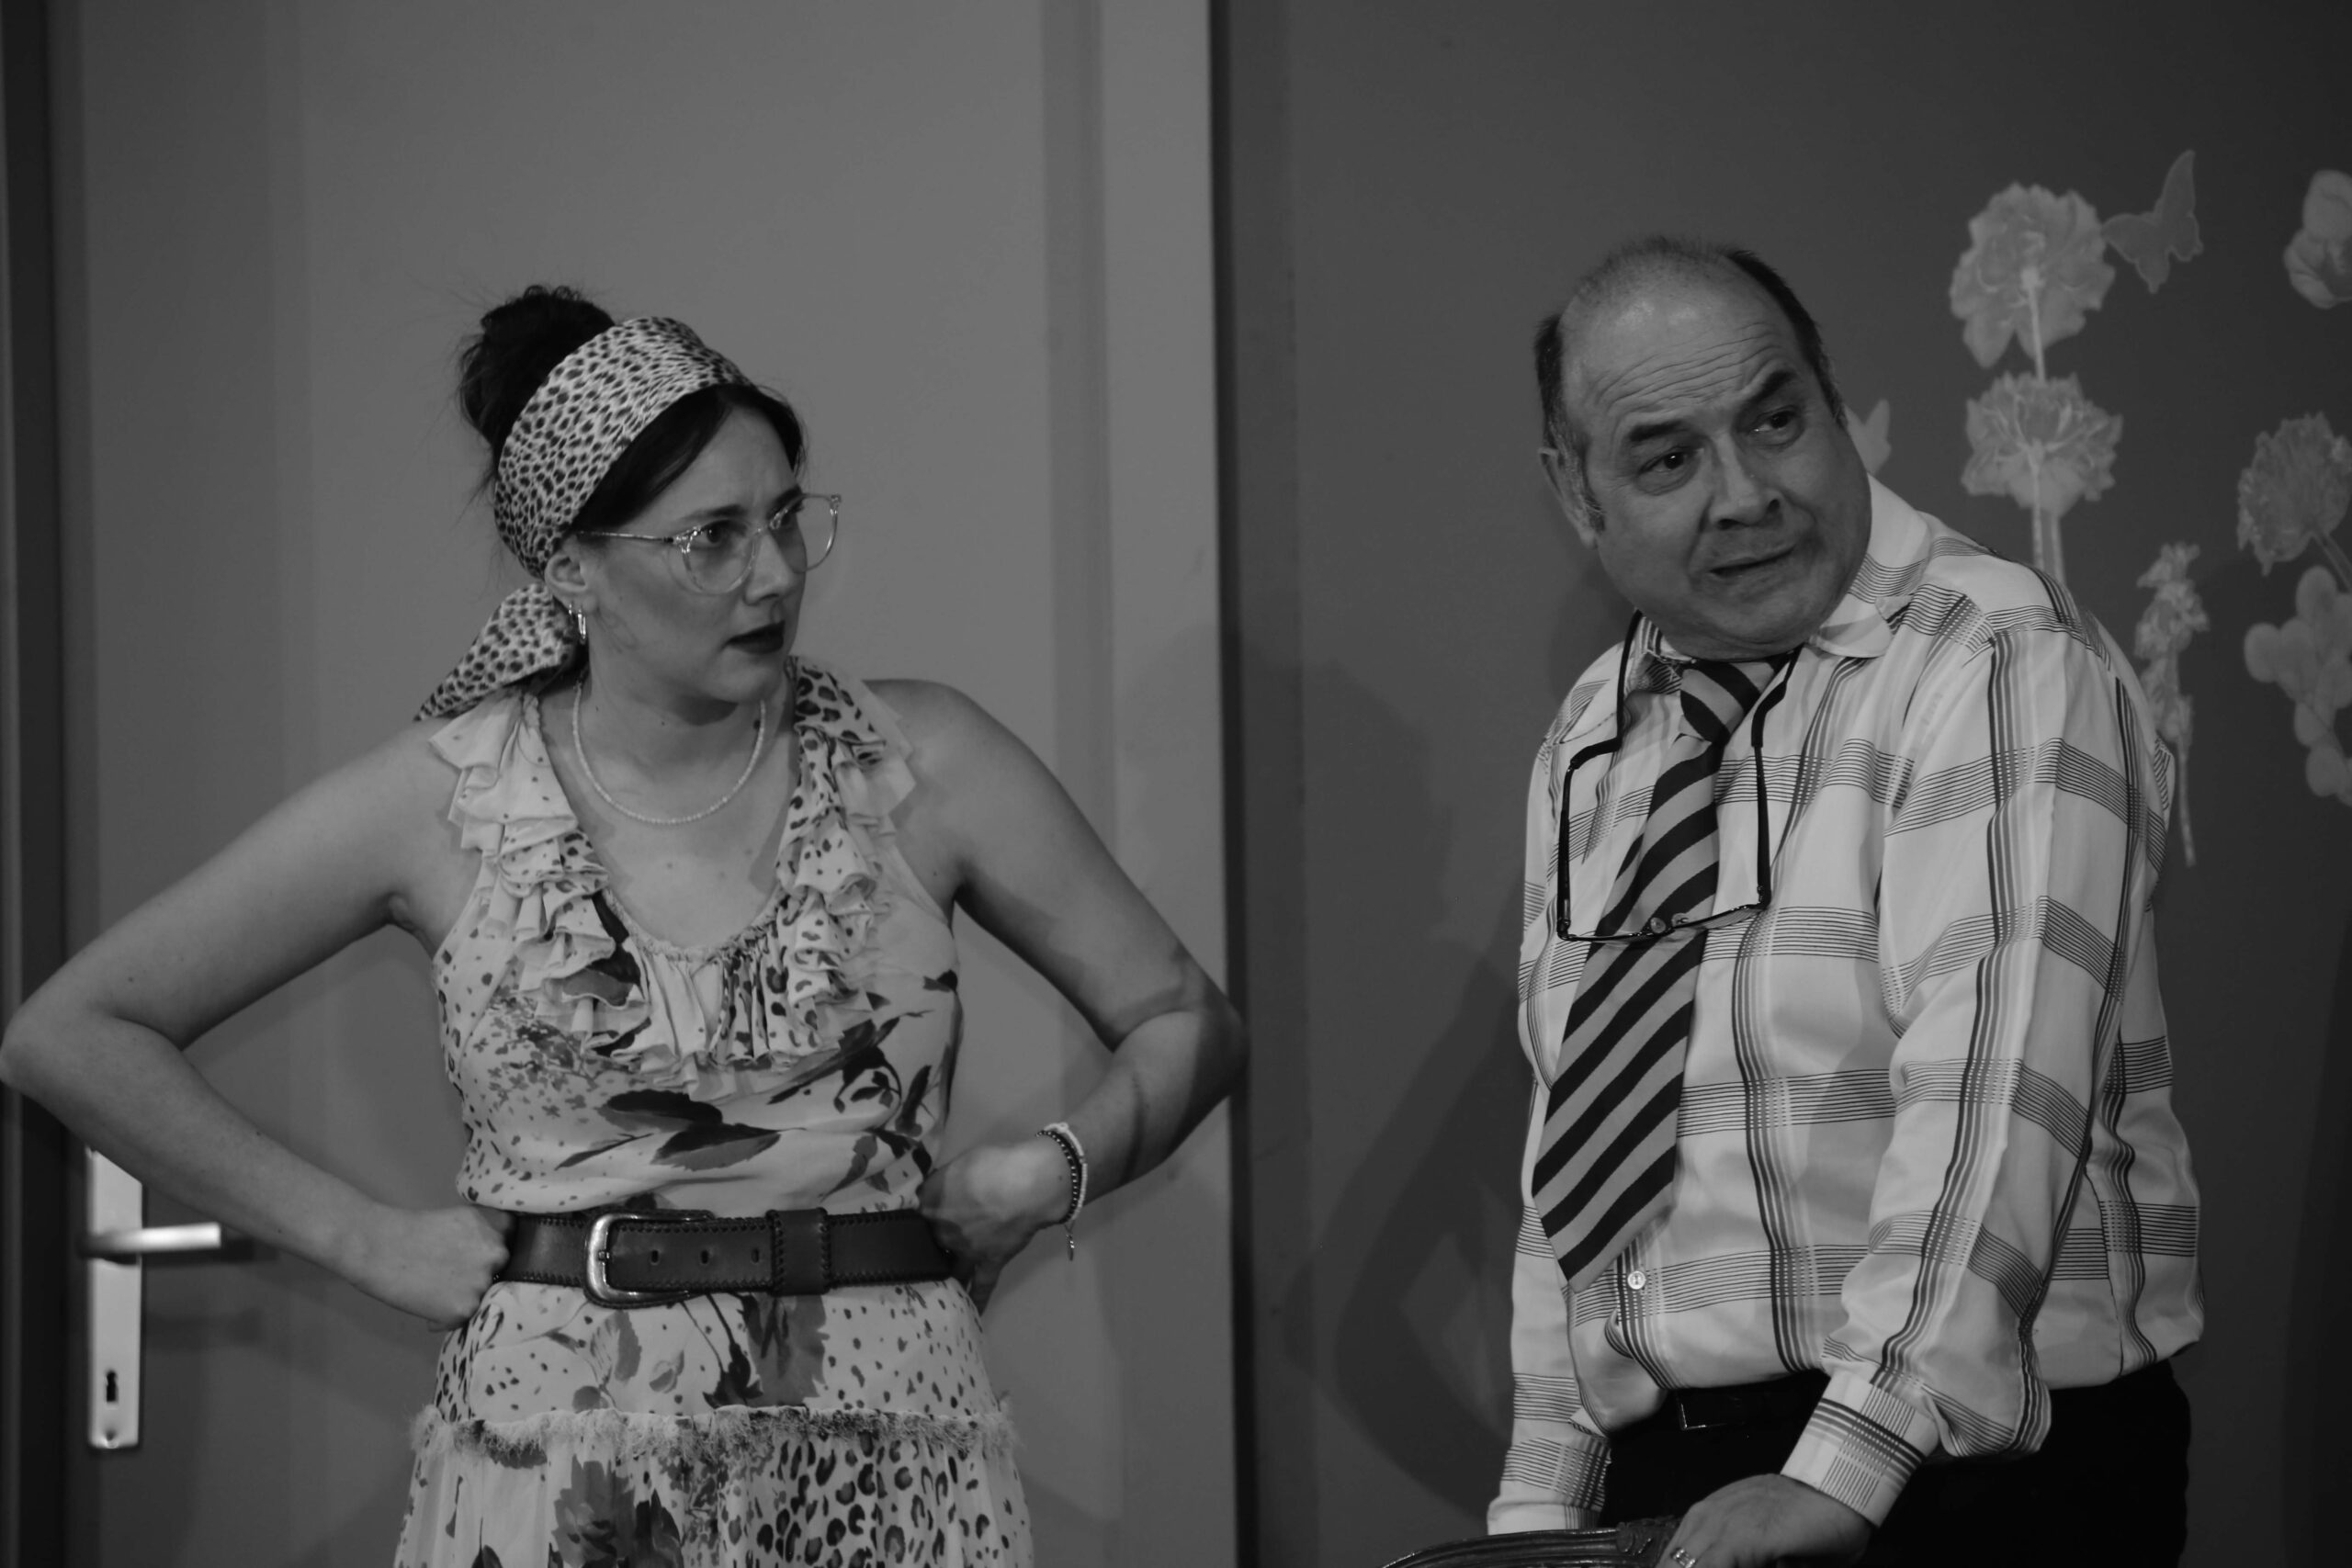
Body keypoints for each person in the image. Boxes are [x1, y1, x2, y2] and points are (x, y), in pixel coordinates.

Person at [0, 286, 1243, 1566]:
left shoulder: (923, 763)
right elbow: (72, 1033)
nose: (775, 573)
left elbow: (1183, 1017)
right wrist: (363, 1239)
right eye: (711, 538)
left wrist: (1059, 1165)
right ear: (570, 567)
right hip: (561, 1461)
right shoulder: (444, 802)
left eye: (785, 518)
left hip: (892, 1452)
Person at [1487, 239, 2201, 1568]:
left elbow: (1998, 1097)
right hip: (1680, 1471)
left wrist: (1846, 1467)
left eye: (1775, 420)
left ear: (1831, 401)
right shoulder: (1593, 730)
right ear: (1578, 498)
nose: (1747, 495)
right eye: (1667, 459)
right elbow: (1575, 1147)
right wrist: (1544, 1496)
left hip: (1966, 1476)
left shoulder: (1999, 657)